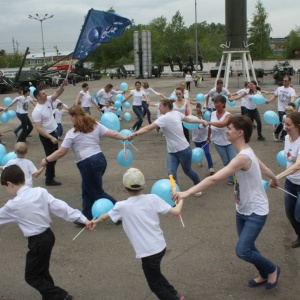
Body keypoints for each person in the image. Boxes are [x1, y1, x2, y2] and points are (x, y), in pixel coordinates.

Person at [173, 115, 281, 291]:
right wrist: (274, 178)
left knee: (243, 250)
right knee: (249, 247)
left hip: (256, 211)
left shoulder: (242, 157)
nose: (226, 130)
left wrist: (186, 193)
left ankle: (272, 269)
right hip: (242, 209)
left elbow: (214, 179)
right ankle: (264, 272)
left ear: (239, 133)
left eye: (229, 129)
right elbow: (263, 168)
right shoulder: (246, 151)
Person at [91, 168, 185, 300]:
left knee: (155, 285)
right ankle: (175, 294)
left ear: (124, 188)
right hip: (159, 247)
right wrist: (180, 199)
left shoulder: (121, 206)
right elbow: (176, 212)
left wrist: (96, 222)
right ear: (143, 186)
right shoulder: (153, 198)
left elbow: (106, 216)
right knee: (155, 273)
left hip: (148, 251)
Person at [0, 165, 92, 300]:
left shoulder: (13, 205)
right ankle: (50, 297)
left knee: (31, 276)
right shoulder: (40, 192)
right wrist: (82, 218)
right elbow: (60, 206)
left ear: (9, 184)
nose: (6, 190)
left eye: (5, 188)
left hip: (37, 241)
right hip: (48, 236)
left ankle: (61, 296)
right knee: (41, 270)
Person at [40, 105, 128, 222]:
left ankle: (122, 211)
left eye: (71, 117)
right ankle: (86, 217)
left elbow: (61, 152)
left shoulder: (72, 133)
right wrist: (122, 136)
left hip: (88, 164)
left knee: (97, 193)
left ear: (74, 117)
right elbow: (112, 133)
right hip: (100, 160)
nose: (70, 119)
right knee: (86, 190)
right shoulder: (95, 125)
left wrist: (46, 160)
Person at [127, 98, 203, 196]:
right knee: (171, 174)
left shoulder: (167, 117)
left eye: (160, 106)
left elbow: (148, 127)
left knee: (188, 171)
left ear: (166, 107)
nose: (158, 107)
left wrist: (135, 134)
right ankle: (175, 192)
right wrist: (201, 120)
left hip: (184, 150)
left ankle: (198, 186)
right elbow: (188, 119)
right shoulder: (173, 114)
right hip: (172, 152)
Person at [32, 80, 67, 186]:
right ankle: (49, 179)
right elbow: (38, 128)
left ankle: (49, 173)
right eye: (43, 93)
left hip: (53, 132)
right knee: (50, 157)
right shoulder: (37, 111)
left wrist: (62, 85)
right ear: (38, 97)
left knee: (55, 156)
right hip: (46, 136)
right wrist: (50, 137)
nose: (46, 94)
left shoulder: (47, 101)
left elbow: (57, 93)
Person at [275, 112, 300, 248]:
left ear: (298, 126)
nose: (285, 127)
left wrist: (277, 176)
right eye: (285, 124)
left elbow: (297, 165)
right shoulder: (286, 138)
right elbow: (288, 161)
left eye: (288, 125)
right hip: (290, 183)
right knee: (290, 214)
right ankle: (299, 235)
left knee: (298, 215)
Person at [203, 95, 236, 185]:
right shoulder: (212, 114)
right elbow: (210, 127)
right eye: (214, 103)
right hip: (217, 142)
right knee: (226, 161)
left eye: (217, 103)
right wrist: (208, 137)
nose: (215, 105)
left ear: (223, 103)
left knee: (233, 161)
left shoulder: (228, 115)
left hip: (229, 141)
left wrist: (209, 122)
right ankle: (231, 178)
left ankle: (237, 177)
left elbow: (223, 124)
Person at [266, 75, 296, 141]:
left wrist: (291, 104)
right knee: (283, 122)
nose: (284, 82)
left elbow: (292, 97)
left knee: (285, 122)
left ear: (289, 82)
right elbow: (275, 95)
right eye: (283, 80)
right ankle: (277, 133)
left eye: (286, 81)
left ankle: (282, 136)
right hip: (281, 108)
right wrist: (269, 100)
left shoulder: (291, 90)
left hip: (288, 109)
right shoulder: (279, 89)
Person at [192, 107, 215, 175]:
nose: (193, 116)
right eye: (192, 115)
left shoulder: (203, 122)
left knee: (207, 153)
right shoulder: (192, 121)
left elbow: (209, 129)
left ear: (199, 115)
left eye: (194, 115)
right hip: (196, 140)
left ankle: (211, 167)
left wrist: (208, 138)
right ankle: (199, 159)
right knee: (198, 152)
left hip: (204, 140)